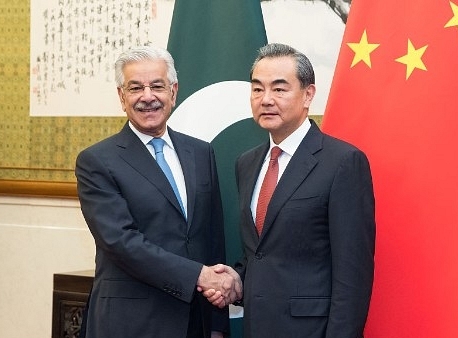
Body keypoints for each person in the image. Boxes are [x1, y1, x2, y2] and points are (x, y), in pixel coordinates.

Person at [205, 43, 376, 337]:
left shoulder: (343, 162)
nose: (266, 99)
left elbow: (353, 274)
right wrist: (236, 282)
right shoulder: (246, 164)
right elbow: (262, 254)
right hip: (257, 327)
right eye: (257, 89)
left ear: (308, 94)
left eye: (279, 89)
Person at [75, 46, 241, 338]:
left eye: (157, 86)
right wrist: (198, 276)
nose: (147, 96)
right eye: (135, 87)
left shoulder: (200, 153)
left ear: (173, 92)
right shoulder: (97, 161)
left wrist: (217, 324)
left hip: (195, 320)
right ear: (121, 96)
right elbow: (121, 242)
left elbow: (212, 236)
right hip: (131, 323)